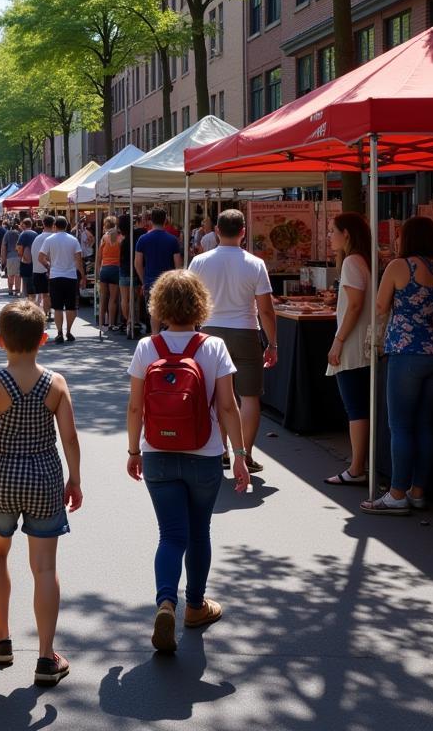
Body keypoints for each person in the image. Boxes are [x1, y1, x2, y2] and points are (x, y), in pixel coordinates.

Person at [126, 269, 249, 654]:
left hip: (158, 455)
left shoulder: (147, 347)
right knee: (199, 533)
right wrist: (241, 456)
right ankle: (195, 606)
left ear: (159, 305)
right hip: (204, 455)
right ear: (200, 305)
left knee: (170, 535)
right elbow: (228, 407)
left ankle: (166, 602)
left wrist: (133, 451)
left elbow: (134, 407)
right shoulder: (213, 348)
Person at [0, 299, 82, 686]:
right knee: (45, 568)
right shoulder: (56, 384)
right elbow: (69, 438)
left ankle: (1, 638)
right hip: (45, 477)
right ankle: (46, 657)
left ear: (0, 341)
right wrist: (74, 479)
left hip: (2, 477)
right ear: (43, 339)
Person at [188, 209, 277, 474]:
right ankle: (245, 453)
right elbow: (266, 309)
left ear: (216, 231)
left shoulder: (200, 262)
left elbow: (190, 301)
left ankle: (221, 451)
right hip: (246, 331)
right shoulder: (255, 263)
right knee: (249, 396)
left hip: (210, 331)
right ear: (243, 232)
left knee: (216, 394)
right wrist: (272, 343)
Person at [362, 215, 433, 515]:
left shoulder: (399, 266)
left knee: (401, 426)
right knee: (425, 425)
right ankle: (418, 491)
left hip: (405, 353)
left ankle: (396, 493)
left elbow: (380, 307)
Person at [323, 213, 373, 488]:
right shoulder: (363, 260)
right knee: (360, 407)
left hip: (353, 345)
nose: (329, 236)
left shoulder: (353, 262)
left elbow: (354, 305)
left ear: (347, 235)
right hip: (361, 343)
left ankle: (356, 468)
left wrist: (339, 340)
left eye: (333, 231)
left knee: (355, 408)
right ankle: (359, 465)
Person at [38, 216, 86, 344]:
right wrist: (83, 275)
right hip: (71, 276)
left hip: (55, 276)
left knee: (57, 307)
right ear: (66, 226)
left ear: (54, 226)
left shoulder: (49, 239)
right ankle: (68, 331)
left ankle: (59, 332)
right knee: (71, 307)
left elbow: (40, 257)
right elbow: (78, 260)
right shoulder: (73, 240)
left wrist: (49, 266)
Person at [134, 208, 183, 315]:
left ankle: (155, 331)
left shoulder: (143, 239)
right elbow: (178, 265)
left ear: (151, 220)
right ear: (165, 220)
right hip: (168, 282)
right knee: (168, 313)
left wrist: (144, 281)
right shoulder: (173, 240)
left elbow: (137, 263)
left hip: (150, 281)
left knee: (154, 314)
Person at [118, 213, 146, 335]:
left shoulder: (124, 241)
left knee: (125, 299)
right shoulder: (138, 235)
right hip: (134, 270)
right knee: (134, 298)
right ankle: (134, 321)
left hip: (124, 270)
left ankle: (129, 321)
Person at [97, 216, 121, 331]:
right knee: (113, 298)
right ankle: (111, 323)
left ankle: (101, 322)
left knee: (103, 297)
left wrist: (97, 270)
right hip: (115, 268)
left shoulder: (103, 238)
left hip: (104, 269)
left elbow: (99, 256)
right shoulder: (120, 238)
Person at [32, 215, 56, 320]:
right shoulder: (52, 238)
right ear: (54, 225)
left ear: (43, 224)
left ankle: (41, 314)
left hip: (36, 270)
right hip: (48, 271)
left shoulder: (37, 238)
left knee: (41, 294)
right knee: (47, 295)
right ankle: (47, 314)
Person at [17, 218, 39, 302]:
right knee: (32, 284)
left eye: (22, 224)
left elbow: (19, 248)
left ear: (24, 225)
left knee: (25, 283)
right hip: (35, 262)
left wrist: (21, 255)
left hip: (26, 262)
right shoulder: (36, 234)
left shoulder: (23, 234)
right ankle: (32, 301)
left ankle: (27, 302)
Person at [2, 221, 21, 297]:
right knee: (17, 275)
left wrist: (3, 258)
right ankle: (17, 291)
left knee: (10, 275)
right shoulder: (19, 234)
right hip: (18, 256)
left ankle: (10, 290)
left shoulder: (7, 234)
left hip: (9, 256)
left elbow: (4, 246)